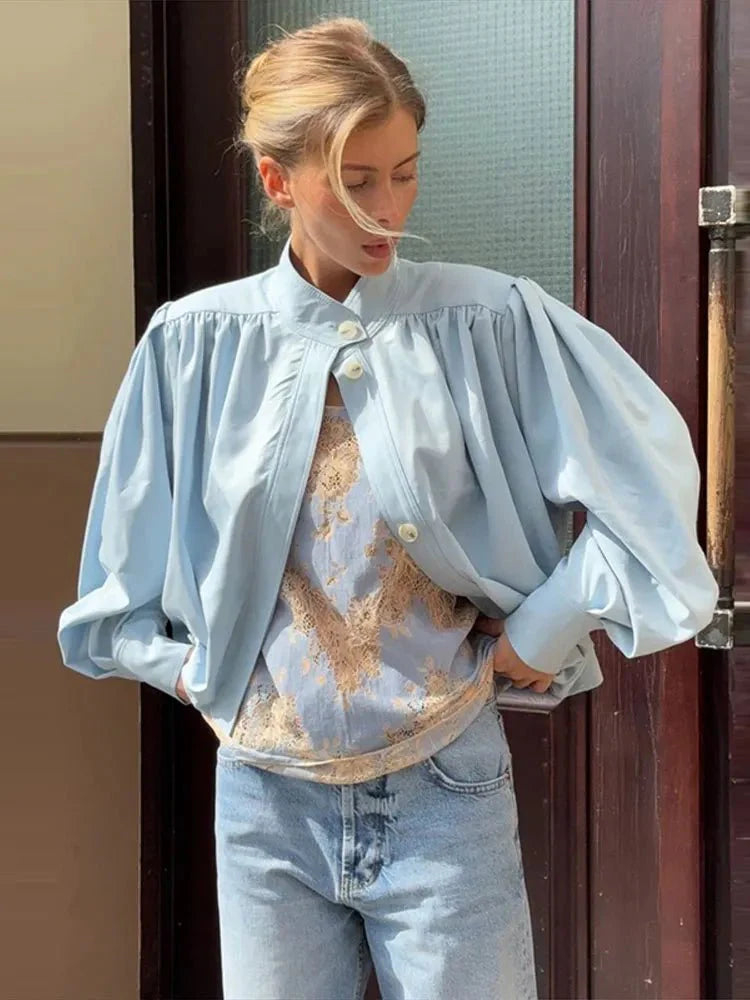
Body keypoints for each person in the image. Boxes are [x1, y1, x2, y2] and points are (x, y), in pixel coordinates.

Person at [57, 16, 718, 1000]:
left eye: (404, 173)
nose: (389, 210)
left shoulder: (486, 321)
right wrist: (195, 672)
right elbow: (118, 585)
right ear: (278, 181)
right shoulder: (192, 347)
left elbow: (650, 487)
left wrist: (545, 624)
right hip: (264, 803)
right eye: (355, 181)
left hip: (446, 787)